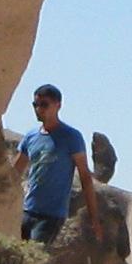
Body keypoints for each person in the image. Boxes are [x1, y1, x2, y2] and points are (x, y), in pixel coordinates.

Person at [14, 84, 87, 245]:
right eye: (35, 105)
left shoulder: (71, 137)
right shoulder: (31, 137)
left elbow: (85, 176)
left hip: (51, 215)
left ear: (58, 105)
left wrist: (94, 217)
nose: (39, 109)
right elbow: (15, 172)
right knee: (18, 259)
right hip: (28, 210)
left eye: (44, 105)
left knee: (35, 256)